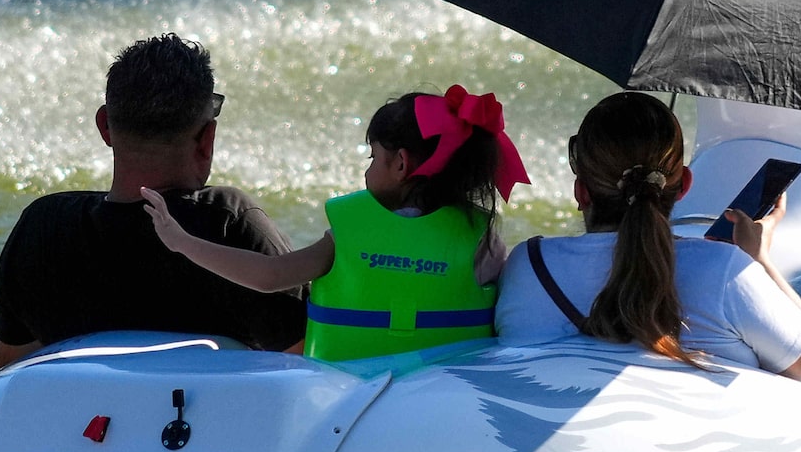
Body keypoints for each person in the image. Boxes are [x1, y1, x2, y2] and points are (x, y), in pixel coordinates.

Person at [494, 91, 801, 422]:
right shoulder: (722, 272)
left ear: (581, 190)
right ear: (683, 185)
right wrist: (760, 263)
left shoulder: (528, 267)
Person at [0, 34, 310, 368]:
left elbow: (13, 374)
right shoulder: (230, 223)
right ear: (208, 138)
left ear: (105, 127)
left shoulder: (42, 229)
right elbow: (317, 369)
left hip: (85, 419)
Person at [145, 85, 527, 364]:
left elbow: (269, 276)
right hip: (445, 394)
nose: (368, 168)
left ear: (401, 164)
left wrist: (181, 242)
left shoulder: (349, 232)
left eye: (372, 156)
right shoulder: (482, 236)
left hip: (348, 397)